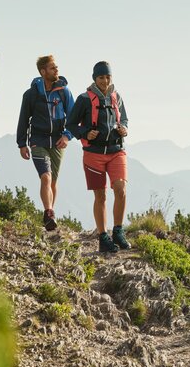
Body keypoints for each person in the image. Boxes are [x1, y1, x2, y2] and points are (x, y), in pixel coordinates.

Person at [66, 61, 130, 252]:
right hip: (93, 154)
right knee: (100, 196)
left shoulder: (117, 97)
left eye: (107, 76)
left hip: (116, 150)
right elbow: (70, 125)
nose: (105, 80)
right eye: (101, 77)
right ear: (95, 78)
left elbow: (124, 118)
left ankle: (118, 231)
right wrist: (85, 133)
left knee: (121, 188)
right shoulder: (84, 99)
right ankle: (103, 237)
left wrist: (124, 128)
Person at [17, 55, 75, 230]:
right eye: (52, 68)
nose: (56, 70)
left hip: (58, 141)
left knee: (53, 182)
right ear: (43, 72)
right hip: (38, 141)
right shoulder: (31, 94)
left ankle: (50, 216)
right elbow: (23, 119)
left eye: (56, 67)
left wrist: (67, 136)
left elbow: (73, 117)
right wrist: (22, 144)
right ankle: (49, 212)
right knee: (46, 177)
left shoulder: (64, 91)